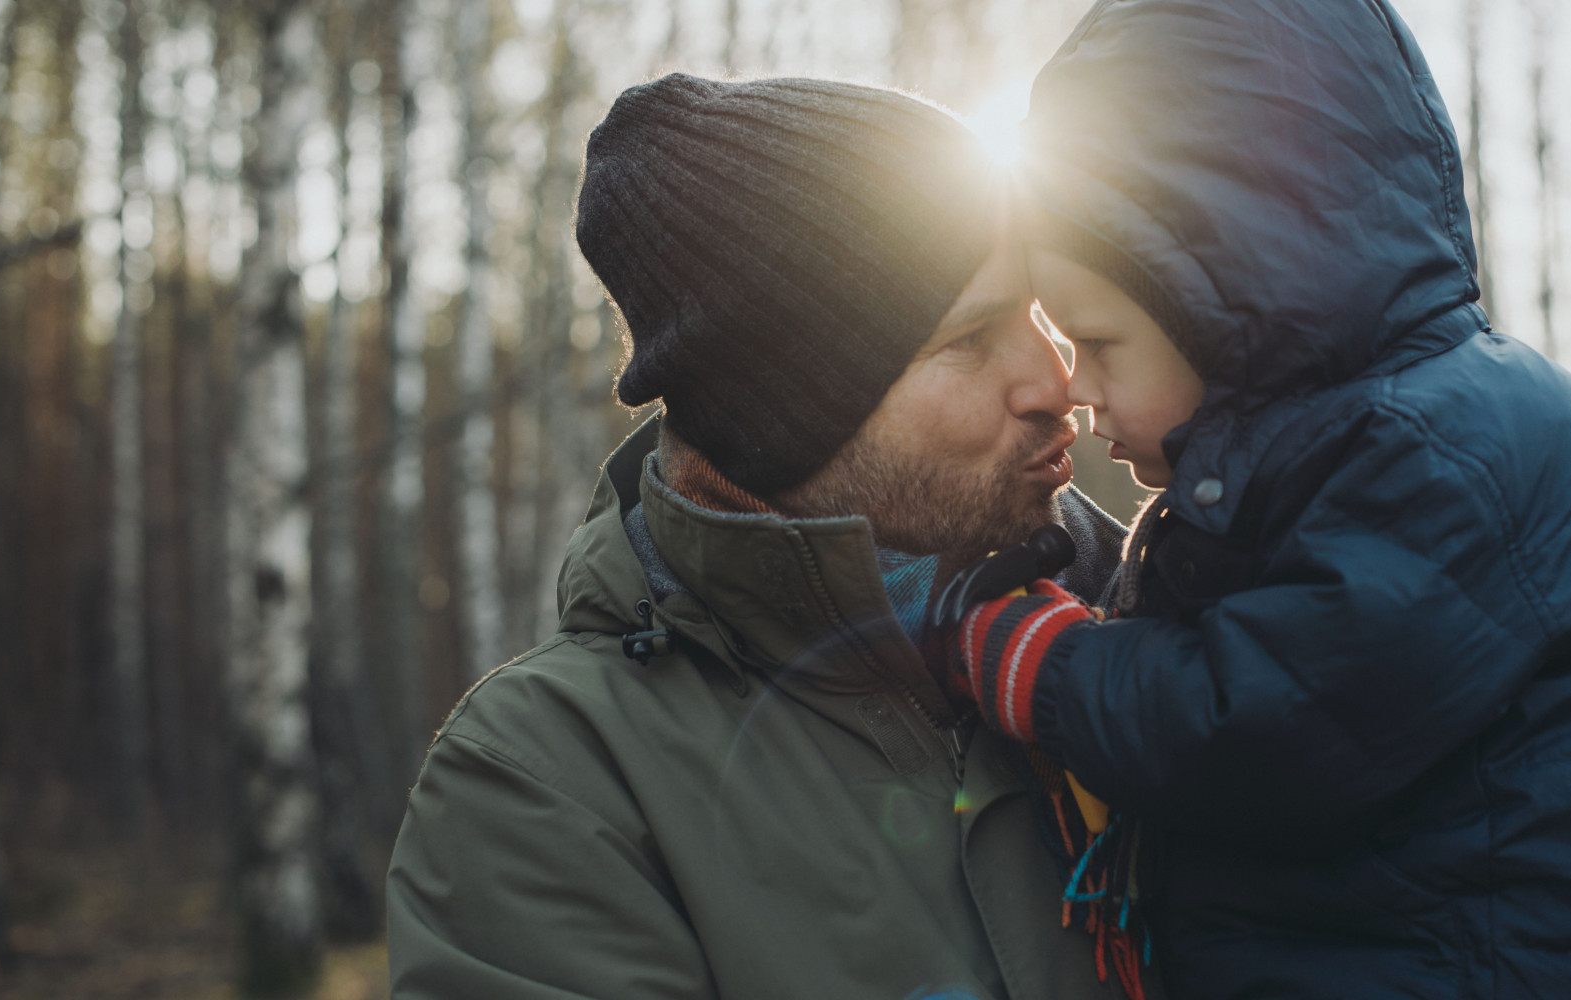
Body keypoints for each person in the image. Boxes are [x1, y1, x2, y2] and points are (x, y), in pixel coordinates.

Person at [949, 1, 1571, 997]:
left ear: (1218, 297)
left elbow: (1259, 731)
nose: (1073, 384)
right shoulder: (1328, 453)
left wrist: (1044, 665)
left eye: (1097, 342)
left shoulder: (1440, 455)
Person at [385, 74, 1149, 999]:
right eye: (972, 336)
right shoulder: (551, 779)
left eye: (1042, 311)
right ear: (782, 416)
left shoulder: (1154, 640)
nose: (1054, 379)